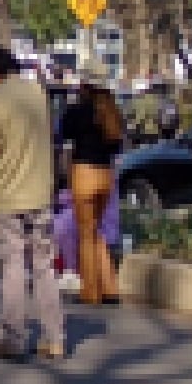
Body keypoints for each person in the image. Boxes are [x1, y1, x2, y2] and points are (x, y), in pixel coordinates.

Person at [0, 45, 65, 362]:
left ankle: (14, 337)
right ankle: (54, 337)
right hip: (40, 192)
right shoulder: (37, 92)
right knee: (43, 266)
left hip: (9, 195)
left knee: (13, 266)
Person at [58, 61, 125, 306]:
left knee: (86, 234)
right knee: (96, 232)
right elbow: (116, 146)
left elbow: (64, 136)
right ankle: (109, 288)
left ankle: (90, 291)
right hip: (106, 175)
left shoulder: (77, 111)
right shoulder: (113, 113)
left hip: (84, 173)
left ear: (84, 84)